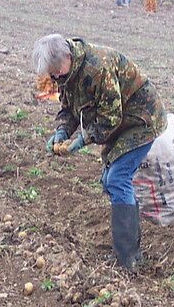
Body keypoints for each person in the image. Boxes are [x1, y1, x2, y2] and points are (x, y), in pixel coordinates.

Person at [31, 34, 166, 272]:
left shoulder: (97, 69)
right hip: (122, 123)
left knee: (117, 179)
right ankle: (131, 247)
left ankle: (128, 258)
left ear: (66, 58)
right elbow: (69, 108)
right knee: (110, 182)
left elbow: (110, 118)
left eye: (55, 72)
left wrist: (82, 140)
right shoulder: (67, 74)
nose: (54, 77)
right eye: (51, 74)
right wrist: (62, 131)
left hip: (141, 120)